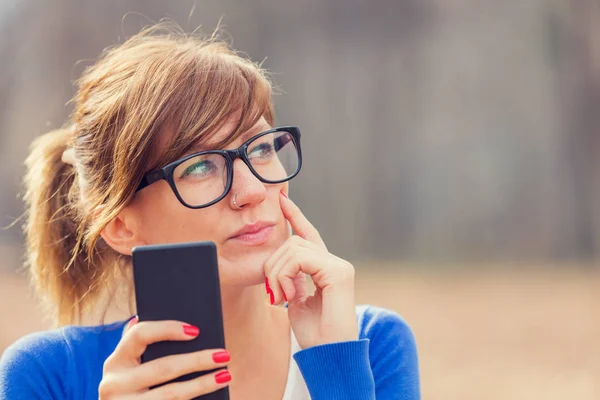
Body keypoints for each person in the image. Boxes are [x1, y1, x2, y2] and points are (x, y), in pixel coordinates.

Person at [0, 23, 420, 400]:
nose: (252, 190)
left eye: (260, 147)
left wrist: (338, 372)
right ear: (121, 226)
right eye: (200, 166)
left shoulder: (369, 345)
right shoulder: (49, 377)